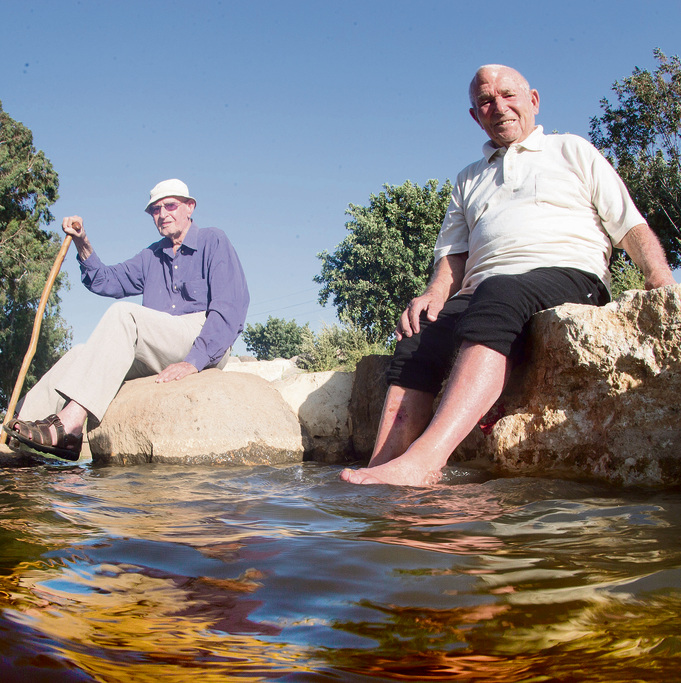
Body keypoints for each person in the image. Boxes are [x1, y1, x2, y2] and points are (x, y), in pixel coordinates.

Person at [341, 64, 676, 487]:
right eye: (485, 101)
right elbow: (453, 255)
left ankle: (424, 461)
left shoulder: (573, 150)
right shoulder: (468, 178)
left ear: (533, 100)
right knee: (418, 332)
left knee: (499, 291)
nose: (498, 107)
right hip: (482, 291)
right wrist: (434, 294)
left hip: (568, 275)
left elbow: (630, 225)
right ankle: (383, 464)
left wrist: (659, 276)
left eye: (508, 95)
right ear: (475, 116)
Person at [4, 178, 249, 461]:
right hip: (157, 348)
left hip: (202, 339)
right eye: (155, 209)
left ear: (189, 207)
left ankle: (70, 426)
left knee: (123, 314)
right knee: (79, 354)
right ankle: (12, 438)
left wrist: (194, 361)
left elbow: (230, 307)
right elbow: (104, 280)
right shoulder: (151, 256)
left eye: (170, 206)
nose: (163, 214)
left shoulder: (213, 240)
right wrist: (83, 243)